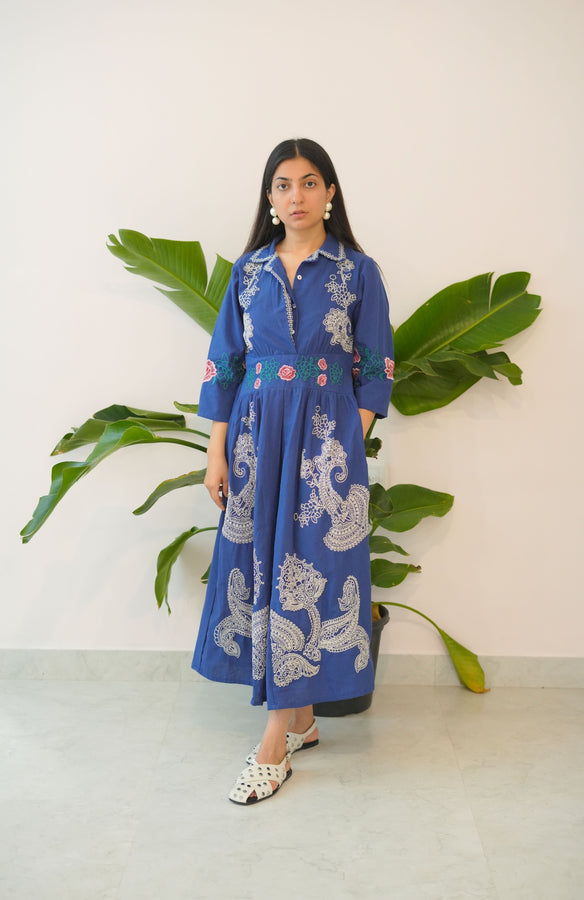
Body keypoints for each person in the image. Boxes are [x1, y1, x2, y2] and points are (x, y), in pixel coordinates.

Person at [192, 138, 394, 805]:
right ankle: (301, 720)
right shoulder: (248, 272)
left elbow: (375, 365)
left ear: (330, 192)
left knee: (312, 569)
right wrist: (216, 452)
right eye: (283, 184)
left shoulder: (357, 271)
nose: (296, 195)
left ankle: (274, 742)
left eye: (309, 182)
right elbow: (225, 364)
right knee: (260, 566)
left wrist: (346, 439)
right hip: (255, 440)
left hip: (326, 444)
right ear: (270, 197)